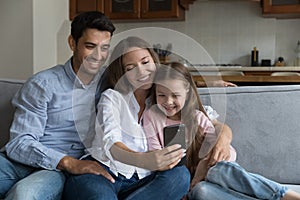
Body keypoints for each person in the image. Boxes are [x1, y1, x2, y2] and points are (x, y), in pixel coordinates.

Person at [0, 11, 116, 200]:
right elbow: (19, 143)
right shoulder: (43, 83)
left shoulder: (109, 82)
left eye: (104, 48)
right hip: (20, 162)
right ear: (72, 43)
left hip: (55, 171)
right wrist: (69, 162)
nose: (98, 55)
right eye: (90, 46)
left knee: (25, 195)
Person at [143, 61, 300, 200]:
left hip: (214, 170)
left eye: (175, 95)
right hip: (191, 184)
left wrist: (202, 168)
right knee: (201, 192)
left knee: (216, 171)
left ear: (187, 93)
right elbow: (156, 157)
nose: (168, 101)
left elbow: (220, 148)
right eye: (161, 95)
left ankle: (282, 195)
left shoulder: (198, 117)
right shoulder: (152, 117)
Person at [63, 36, 190, 200]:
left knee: (180, 176)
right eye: (130, 68)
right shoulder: (112, 98)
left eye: (145, 62)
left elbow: (200, 113)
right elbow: (110, 142)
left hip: (143, 179)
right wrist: (145, 160)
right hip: (102, 172)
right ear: (122, 73)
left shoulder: (164, 99)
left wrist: (223, 133)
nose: (141, 71)